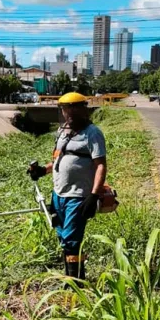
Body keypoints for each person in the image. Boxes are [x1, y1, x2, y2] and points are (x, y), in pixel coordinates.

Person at [28, 92, 107, 280]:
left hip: (77, 196)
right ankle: (70, 277)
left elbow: (100, 165)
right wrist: (42, 170)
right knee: (63, 236)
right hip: (59, 194)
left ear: (83, 110)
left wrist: (94, 195)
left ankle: (76, 282)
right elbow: (58, 159)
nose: (69, 114)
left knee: (71, 240)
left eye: (73, 109)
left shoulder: (92, 133)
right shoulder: (62, 131)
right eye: (65, 109)